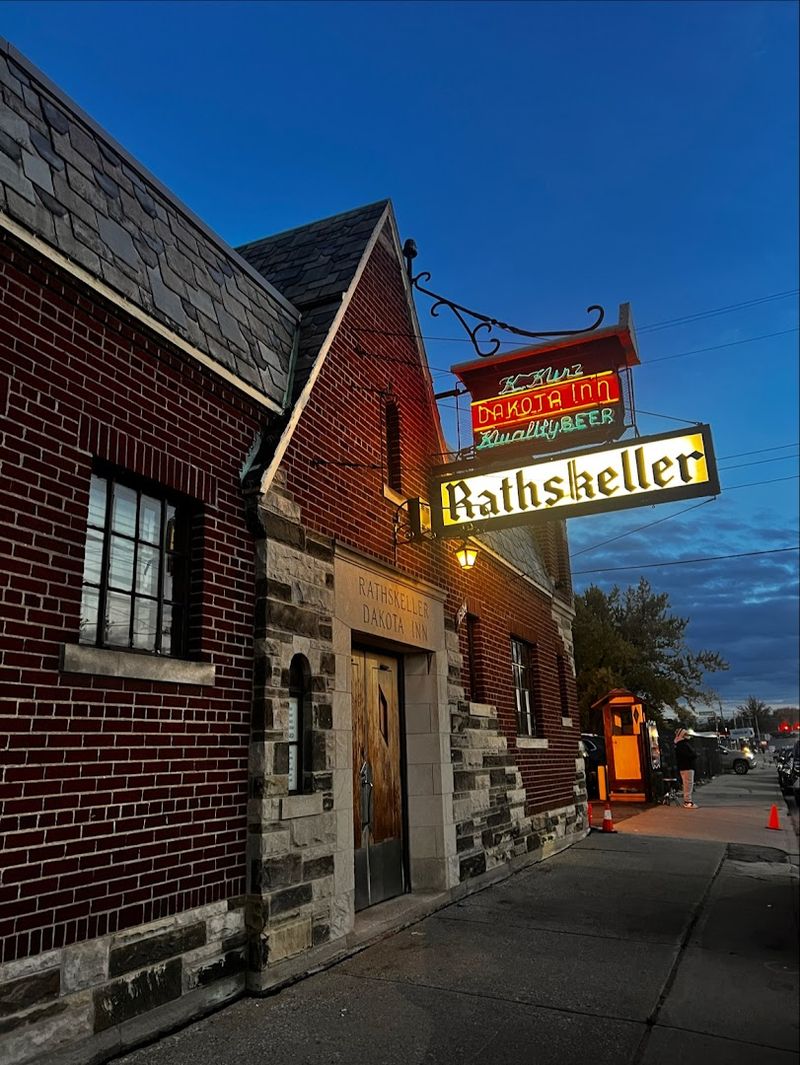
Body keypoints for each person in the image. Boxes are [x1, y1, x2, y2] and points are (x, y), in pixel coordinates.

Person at [674, 728, 698, 808]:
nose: (687, 736)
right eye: (685, 734)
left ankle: (687, 801)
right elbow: (687, 755)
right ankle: (688, 802)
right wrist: (694, 755)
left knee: (687, 784)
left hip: (685, 767)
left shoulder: (680, 744)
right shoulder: (682, 745)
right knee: (688, 784)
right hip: (687, 767)